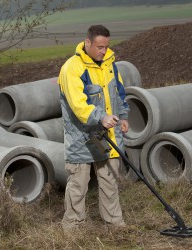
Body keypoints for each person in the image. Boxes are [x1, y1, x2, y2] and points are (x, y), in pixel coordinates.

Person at [57, 25, 130, 232]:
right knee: (78, 185)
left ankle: (114, 224)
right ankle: (73, 228)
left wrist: (123, 116)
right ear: (87, 42)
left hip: (108, 135)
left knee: (110, 181)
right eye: (99, 47)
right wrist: (102, 117)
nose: (103, 51)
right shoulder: (72, 68)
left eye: (106, 47)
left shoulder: (110, 65)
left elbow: (120, 93)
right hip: (81, 138)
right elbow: (78, 104)